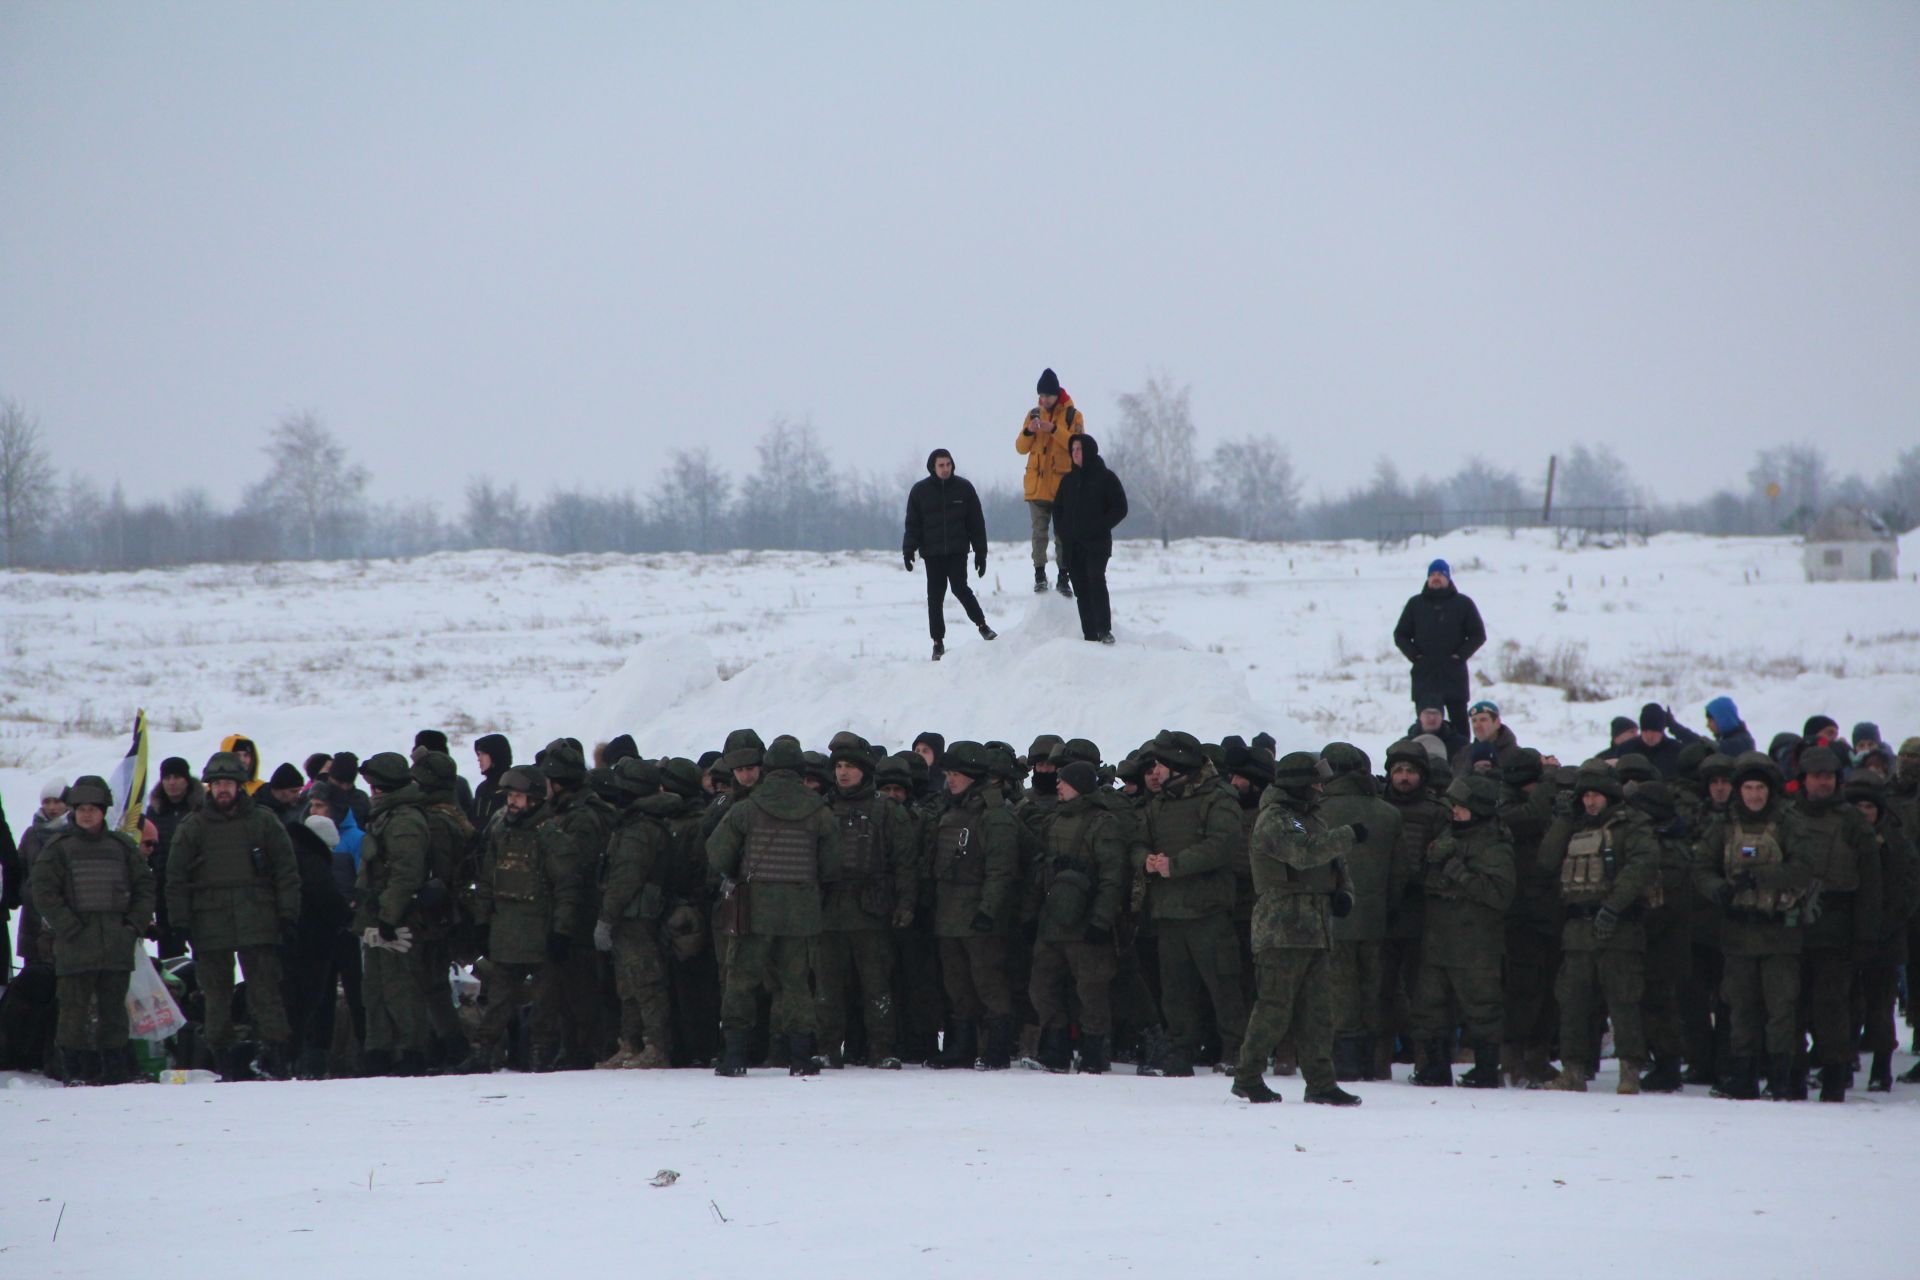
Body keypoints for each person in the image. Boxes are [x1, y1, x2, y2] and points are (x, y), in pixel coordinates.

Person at [1231, 752, 1362, 1105]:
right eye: (1316, 782)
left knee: (1318, 1012)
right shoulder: (1275, 819)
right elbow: (1303, 853)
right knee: (1274, 1008)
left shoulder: (1310, 818)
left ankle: (1321, 1082)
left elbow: (1335, 864)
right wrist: (1348, 835)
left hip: (1315, 927)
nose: (1321, 788)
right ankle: (1247, 1076)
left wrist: (1344, 893)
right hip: (1282, 927)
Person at [704, 739, 840, 1077]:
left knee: (741, 979)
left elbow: (717, 854)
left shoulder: (747, 808)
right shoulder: (820, 811)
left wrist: (738, 873)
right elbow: (832, 867)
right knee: (796, 984)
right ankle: (800, 1057)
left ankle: (735, 1056)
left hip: (754, 908)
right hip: (801, 911)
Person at [166, 751, 301, 1080]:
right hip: (210, 920)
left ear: (240, 786)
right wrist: (179, 921)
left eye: (228, 783)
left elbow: (286, 870)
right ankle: (222, 1061)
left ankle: (275, 1058)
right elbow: (175, 877)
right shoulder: (193, 826)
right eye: (217, 784)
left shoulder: (263, 821)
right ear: (209, 787)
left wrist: (287, 913)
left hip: (257, 917)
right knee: (216, 994)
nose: (223, 789)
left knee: (265, 991)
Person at [1692, 751, 1814, 1100]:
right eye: (1748, 787)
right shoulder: (1726, 825)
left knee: (1781, 1007)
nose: (1754, 795)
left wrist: (1758, 878)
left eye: (1760, 787)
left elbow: (1804, 868)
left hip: (1779, 932)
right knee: (1740, 1007)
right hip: (1739, 932)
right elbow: (1701, 867)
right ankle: (1743, 1076)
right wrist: (1719, 889)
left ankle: (1782, 1077)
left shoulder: (1789, 822)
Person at [28, 776, 155, 1085]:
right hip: (75, 942)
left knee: (114, 1010)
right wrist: (68, 926)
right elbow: (44, 892)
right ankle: (74, 1071)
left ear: (103, 811)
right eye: (81, 808)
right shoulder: (59, 849)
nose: (86, 814)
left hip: (115, 940)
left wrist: (132, 926)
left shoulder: (122, 847)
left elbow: (144, 888)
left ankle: (114, 1070)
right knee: (73, 1010)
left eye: (92, 809)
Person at [1539, 766, 1658, 1093]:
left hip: (1619, 929)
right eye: (1586, 796)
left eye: (1596, 795)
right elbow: (1547, 860)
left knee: (1624, 1001)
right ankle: (1573, 1070)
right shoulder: (1574, 825)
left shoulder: (1630, 824)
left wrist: (1614, 906)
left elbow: (1641, 866)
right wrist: (1564, 818)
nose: (1590, 802)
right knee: (1573, 1001)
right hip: (1578, 928)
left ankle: (1630, 1069)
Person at [1141, 730, 1247, 1076]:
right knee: (1174, 990)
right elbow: (1138, 841)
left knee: (1224, 985)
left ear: (1178, 765)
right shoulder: (1159, 802)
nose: (1153, 772)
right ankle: (1179, 1051)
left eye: (1159, 765)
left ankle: (1237, 1051)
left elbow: (1223, 845)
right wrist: (1144, 860)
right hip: (1169, 910)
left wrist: (1176, 865)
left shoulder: (1218, 797)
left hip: (1207, 910)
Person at [815, 733, 917, 1069]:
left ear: (864, 770)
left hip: (871, 910)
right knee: (828, 986)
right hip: (829, 911)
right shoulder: (822, 809)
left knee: (877, 985)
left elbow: (904, 862)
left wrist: (905, 904)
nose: (843, 772)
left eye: (850, 766)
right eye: (839, 766)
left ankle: (881, 1049)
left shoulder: (885, 810)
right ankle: (829, 1048)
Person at [1408, 775, 1515, 1089]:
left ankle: (1485, 1068)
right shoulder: (1448, 836)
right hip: (1438, 940)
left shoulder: (1494, 844)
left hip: (1475, 943)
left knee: (1482, 1008)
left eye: (1461, 807)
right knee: (1429, 1007)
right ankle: (1435, 1067)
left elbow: (1500, 895)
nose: (1454, 811)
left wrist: (1460, 874)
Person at [1029, 760, 1127, 1073]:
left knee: (1091, 990)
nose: (1057, 785)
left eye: (1065, 781)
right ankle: (1055, 1049)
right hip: (1053, 919)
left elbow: (1113, 877)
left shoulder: (1103, 823)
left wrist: (1101, 920)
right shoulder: (1054, 819)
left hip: (1085, 923)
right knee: (1042, 986)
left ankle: (1094, 1054)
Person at [903, 447, 996, 661]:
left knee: (960, 589)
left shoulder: (964, 489)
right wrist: (908, 549)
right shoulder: (920, 491)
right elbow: (912, 524)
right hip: (932, 554)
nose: (945, 469)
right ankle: (938, 642)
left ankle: (982, 626)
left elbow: (976, 523)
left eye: (948, 464)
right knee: (935, 597)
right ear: (932, 468)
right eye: (941, 465)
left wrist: (980, 553)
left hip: (957, 551)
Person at [1392, 559, 1486, 735]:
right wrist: (1415, 656)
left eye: (1440, 575)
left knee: (1459, 725)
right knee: (1426, 726)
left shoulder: (1463, 604)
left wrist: (1460, 655)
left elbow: (1478, 635)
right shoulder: (1415, 604)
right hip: (1425, 675)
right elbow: (1400, 635)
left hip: (1453, 674)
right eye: (1433, 575)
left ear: (1448, 578)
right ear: (1427, 578)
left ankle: (1461, 759)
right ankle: (1424, 758)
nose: (1436, 578)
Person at [1014, 366, 1085, 595]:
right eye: (1041, 395)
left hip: (1063, 487)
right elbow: (1020, 448)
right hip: (1036, 486)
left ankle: (1064, 577)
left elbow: (1077, 445)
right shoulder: (1033, 414)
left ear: (1057, 394)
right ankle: (1039, 575)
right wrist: (1029, 432)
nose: (1043, 400)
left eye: (1047, 395)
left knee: (1063, 535)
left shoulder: (1073, 415)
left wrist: (1054, 429)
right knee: (1039, 534)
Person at [1052, 433, 1128, 643]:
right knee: (1081, 588)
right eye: (1073, 450)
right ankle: (1090, 635)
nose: (1075, 454)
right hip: (1073, 545)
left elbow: (1120, 507)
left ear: (1089, 451)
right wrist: (1062, 531)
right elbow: (1057, 509)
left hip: (1097, 544)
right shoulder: (1068, 480)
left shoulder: (1105, 477)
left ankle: (1104, 629)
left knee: (1096, 578)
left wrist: (1100, 526)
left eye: (1079, 449)